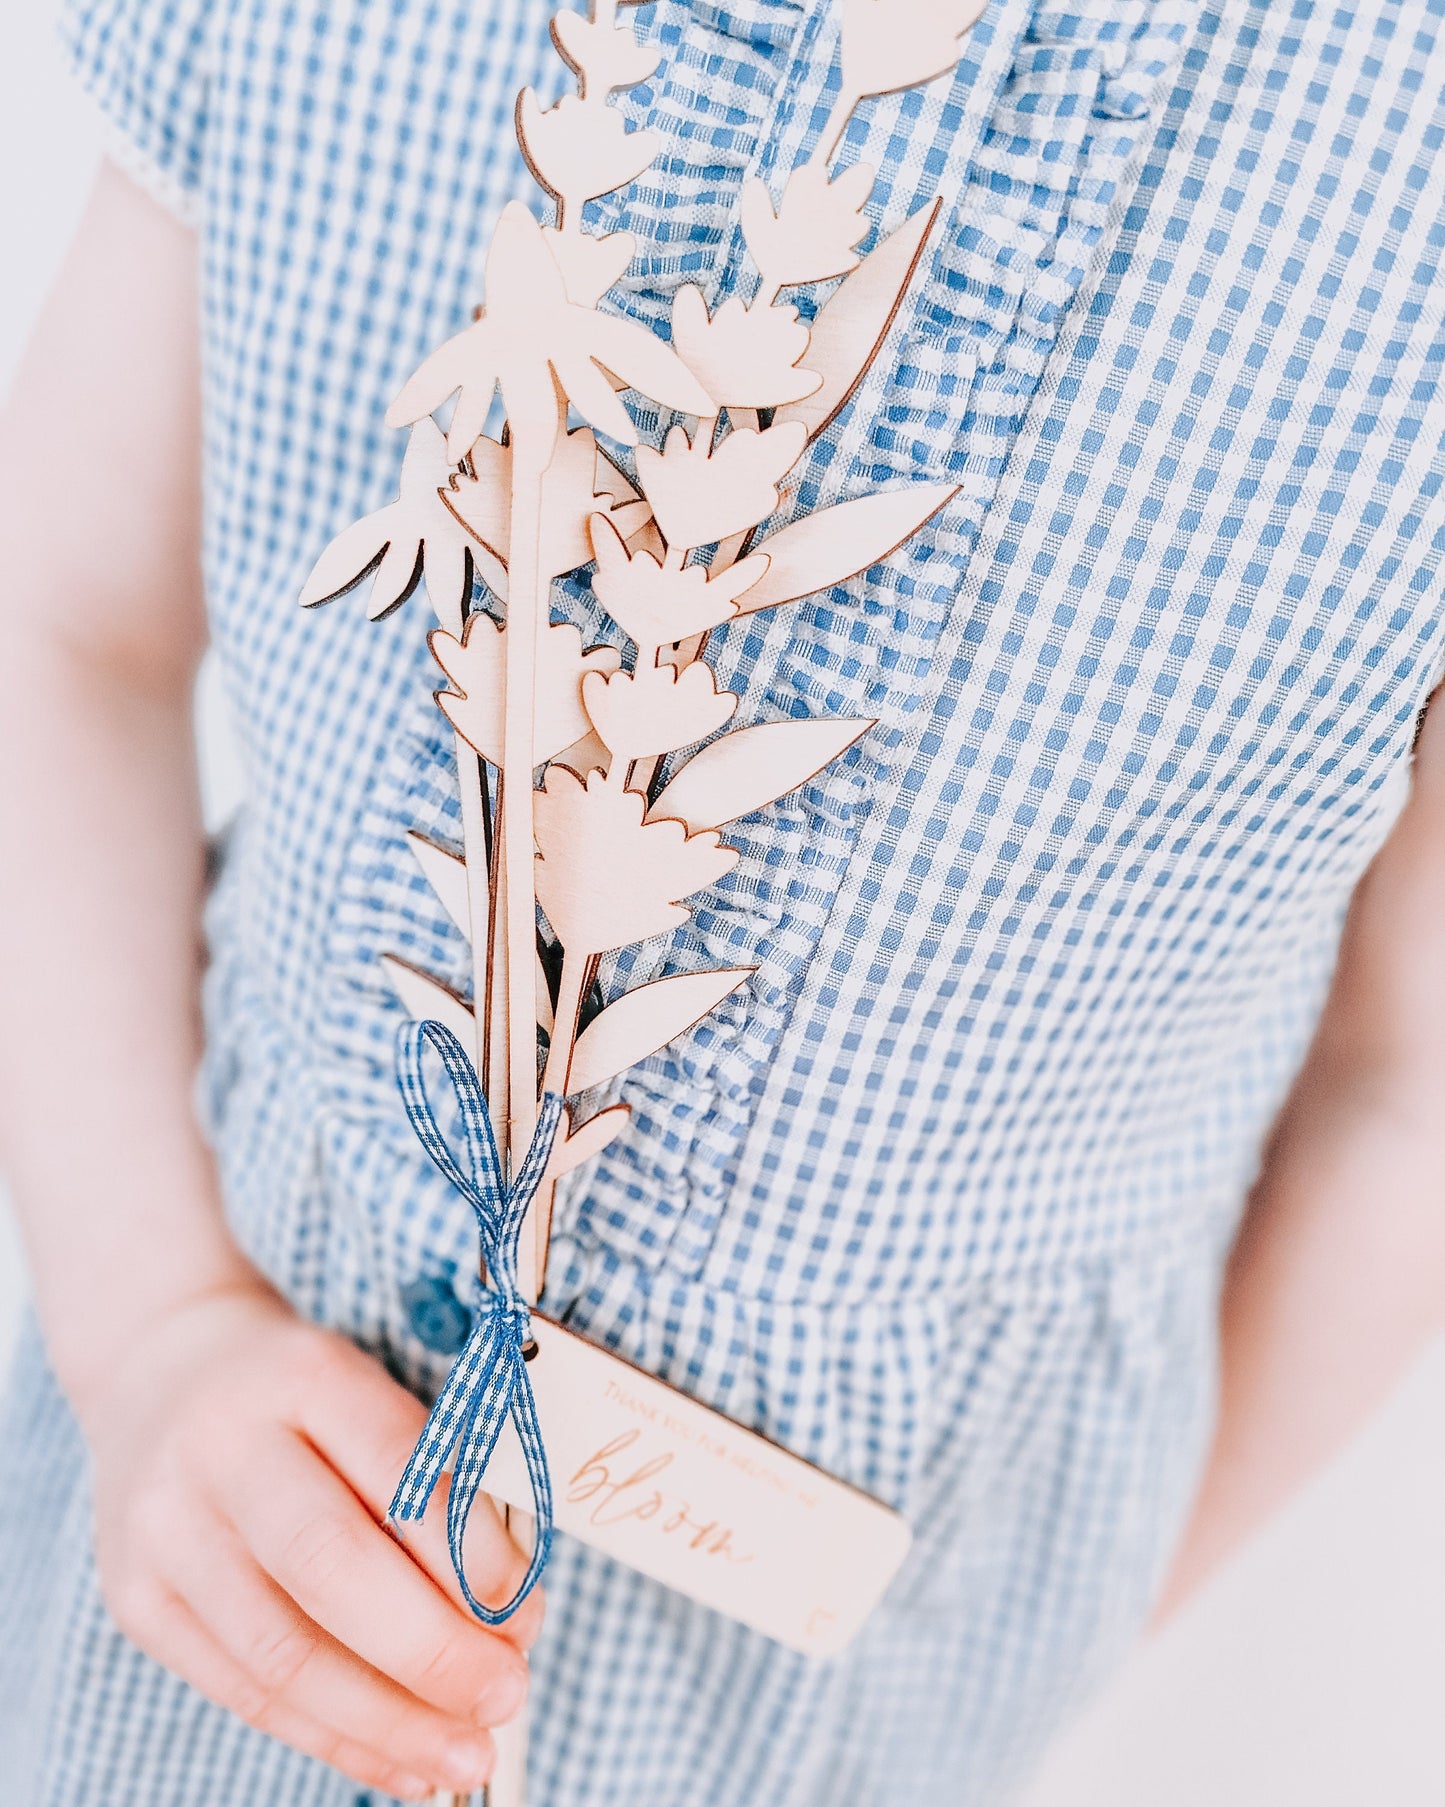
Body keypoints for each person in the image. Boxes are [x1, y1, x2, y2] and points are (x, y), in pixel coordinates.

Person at [2, 0, 1444, 1803]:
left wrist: (1059, 1617)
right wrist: (150, 1323)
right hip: (201, 1512)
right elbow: (66, 632)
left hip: (888, 1680)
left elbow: (1408, 1096)